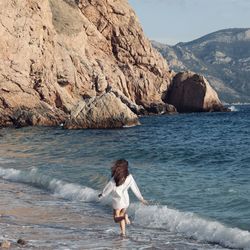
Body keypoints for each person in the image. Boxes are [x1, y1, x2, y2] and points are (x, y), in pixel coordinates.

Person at [98, 159, 148, 236]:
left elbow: (109, 187)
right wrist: (141, 198)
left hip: (118, 201)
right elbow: (135, 188)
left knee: (116, 219)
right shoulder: (130, 177)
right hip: (126, 201)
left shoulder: (116, 178)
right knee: (121, 216)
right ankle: (123, 233)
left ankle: (125, 217)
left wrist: (102, 194)